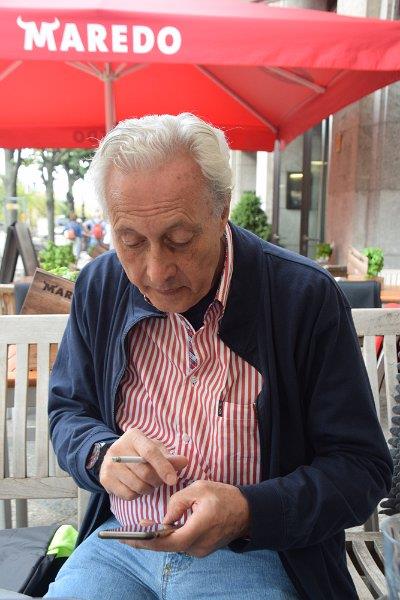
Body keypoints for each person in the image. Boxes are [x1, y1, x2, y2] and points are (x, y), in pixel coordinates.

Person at [46, 114, 392, 600]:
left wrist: (249, 510)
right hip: (121, 545)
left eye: (179, 239)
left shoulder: (302, 298)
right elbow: (68, 411)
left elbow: (362, 469)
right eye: (131, 241)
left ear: (222, 208)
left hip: (256, 553)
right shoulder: (100, 286)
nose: (156, 272)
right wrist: (100, 454)